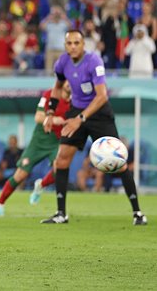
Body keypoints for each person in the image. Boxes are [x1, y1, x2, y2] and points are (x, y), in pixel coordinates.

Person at [41, 30, 147, 225]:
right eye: (69, 43)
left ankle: (138, 213)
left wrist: (80, 118)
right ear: (65, 46)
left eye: (76, 43)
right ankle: (61, 214)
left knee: (119, 163)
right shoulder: (62, 62)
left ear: (83, 45)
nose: (73, 46)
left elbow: (102, 96)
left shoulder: (94, 61)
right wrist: (50, 113)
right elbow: (57, 87)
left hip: (99, 114)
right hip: (77, 112)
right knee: (62, 160)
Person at [0, 82, 72, 216]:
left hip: (58, 140)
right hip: (40, 138)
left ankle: (41, 185)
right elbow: (38, 117)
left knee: (60, 170)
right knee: (21, 174)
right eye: (66, 80)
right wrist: (53, 119)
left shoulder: (76, 101)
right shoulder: (49, 94)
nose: (69, 83)